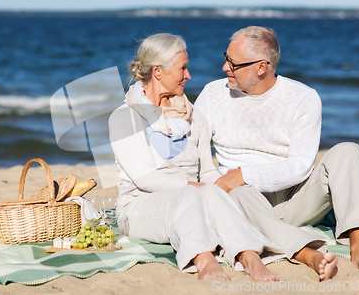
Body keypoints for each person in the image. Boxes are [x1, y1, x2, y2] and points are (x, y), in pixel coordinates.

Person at [194, 26, 359, 281]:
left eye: (233, 63)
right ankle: (308, 253)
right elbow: (192, 150)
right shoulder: (212, 94)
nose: (225, 67)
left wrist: (244, 173)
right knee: (240, 192)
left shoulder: (303, 98)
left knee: (348, 151)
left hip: (295, 198)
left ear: (261, 67)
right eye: (225, 58)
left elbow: (300, 166)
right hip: (241, 200)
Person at [109, 33, 286, 282]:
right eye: (183, 68)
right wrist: (200, 189)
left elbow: (207, 173)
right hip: (140, 206)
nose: (188, 75)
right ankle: (204, 259)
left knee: (214, 191)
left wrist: (223, 185)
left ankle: (249, 256)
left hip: (193, 197)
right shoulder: (123, 118)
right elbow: (145, 179)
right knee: (198, 192)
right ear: (157, 71)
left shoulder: (193, 116)